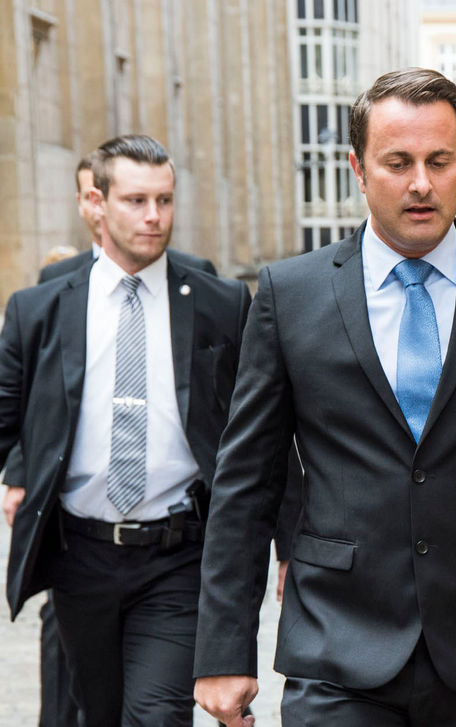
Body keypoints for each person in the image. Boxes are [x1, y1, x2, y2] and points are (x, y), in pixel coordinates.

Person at [192, 68, 456, 727]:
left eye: (440, 161)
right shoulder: (289, 294)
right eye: (399, 162)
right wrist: (222, 645)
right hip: (337, 646)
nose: (422, 182)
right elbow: (247, 480)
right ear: (358, 169)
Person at [0, 134, 255, 725]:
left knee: (157, 714)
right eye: (137, 200)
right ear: (97, 201)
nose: (154, 216)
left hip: (177, 553)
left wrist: (291, 543)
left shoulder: (219, 302)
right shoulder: (40, 309)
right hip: (80, 555)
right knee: (99, 712)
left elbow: (257, 432)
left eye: (164, 200)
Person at [38, 154, 217, 283]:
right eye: (91, 198)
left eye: (164, 200)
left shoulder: (197, 273)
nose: (100, 211)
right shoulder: (56, 277)